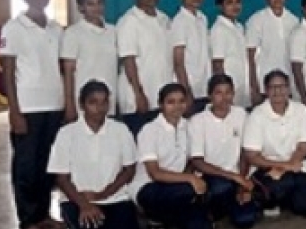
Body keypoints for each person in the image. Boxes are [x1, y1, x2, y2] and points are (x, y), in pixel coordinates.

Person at [0, 0, 65, 229]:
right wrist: (14, 111)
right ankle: (28, 219)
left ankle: (43, 214)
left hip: (54, 104)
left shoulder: (56, 29)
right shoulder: (13, 28)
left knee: (47, 163)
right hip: (28, 107)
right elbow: (8, 71)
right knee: (26, 166)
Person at [47, 81, 138, 229]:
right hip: (75, 200)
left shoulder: (121, 130)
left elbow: (129, 170)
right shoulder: (66, 133)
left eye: (104, 102)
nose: (99, 108)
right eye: (93, 102)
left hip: (116, 199)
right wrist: (85, 205)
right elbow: (61, 179)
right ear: (82, 105)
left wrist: (104, 194)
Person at [130, 83, 210, 229]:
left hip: (178, 184)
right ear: (161, 104)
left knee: (200, 223)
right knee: (187, 192)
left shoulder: (188, 126)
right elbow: (155, 173)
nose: (177, 106)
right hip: (149, 186)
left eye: (181, 101)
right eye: (171, 102)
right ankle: (153, 216)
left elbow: (192, 159)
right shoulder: (150, 130)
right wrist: (190, 178)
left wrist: (189, 175)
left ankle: (165, 221)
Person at [243, 70, 306, 217]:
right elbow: (252, 156)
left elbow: (304, 147)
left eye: (282, 86)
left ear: (288, 89)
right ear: (266, 90)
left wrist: (286, 167)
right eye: (273, 87)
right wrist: (284, 166)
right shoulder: (256, 115)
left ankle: (286, 200)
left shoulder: (301, 110)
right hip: (267, 169)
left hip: (296, 165)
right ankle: (273, 199)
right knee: (278, 187)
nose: (278, 91)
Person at [189, 74, 258, 227]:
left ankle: (235, 202)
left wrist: (241, 183)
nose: (224, 98)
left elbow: (245, 152)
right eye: (218, 93)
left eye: (228, 92)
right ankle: (209, 209)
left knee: (245, 220)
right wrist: (233, 177)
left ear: (233, 94)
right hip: (212, 176)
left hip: (238, 175)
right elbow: (197, 161)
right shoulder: (197, 121)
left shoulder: (241, 114)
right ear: (210, 96)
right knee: (221, 188)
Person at [116, 0, 173, 136]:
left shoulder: (164, 19)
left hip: (161, 96)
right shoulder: (129, 21)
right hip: (140, 98)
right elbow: (129, 60)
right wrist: (139, 94)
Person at [60, 0, 119, 122]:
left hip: (108, 98)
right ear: (81, 8)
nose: (96, 8)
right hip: (84, 99)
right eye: (90, 4)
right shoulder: (73, 33)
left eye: (99, 3)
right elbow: (68, 71)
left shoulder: (113, 31)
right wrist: (69, 103)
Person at [246, 0, 298, 106]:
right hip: (264, 85)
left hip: (287, 84)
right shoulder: (256, 20)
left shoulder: (293, 20)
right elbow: (250, 56)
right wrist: (254, 86)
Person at [170, 0, 211, 114]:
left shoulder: (202, 18)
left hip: (204, 87)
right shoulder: (179, 22)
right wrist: (186, 91)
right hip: (189, 88)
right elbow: (178, 62)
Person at [210, 0, 253, 109]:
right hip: (229, 92)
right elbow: (217, 64)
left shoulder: (239, 27)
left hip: (242, 88)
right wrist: (224, 94)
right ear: (220, 6)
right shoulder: (219, 30)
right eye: (229, 2)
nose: (235, 6)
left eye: (238, 2)